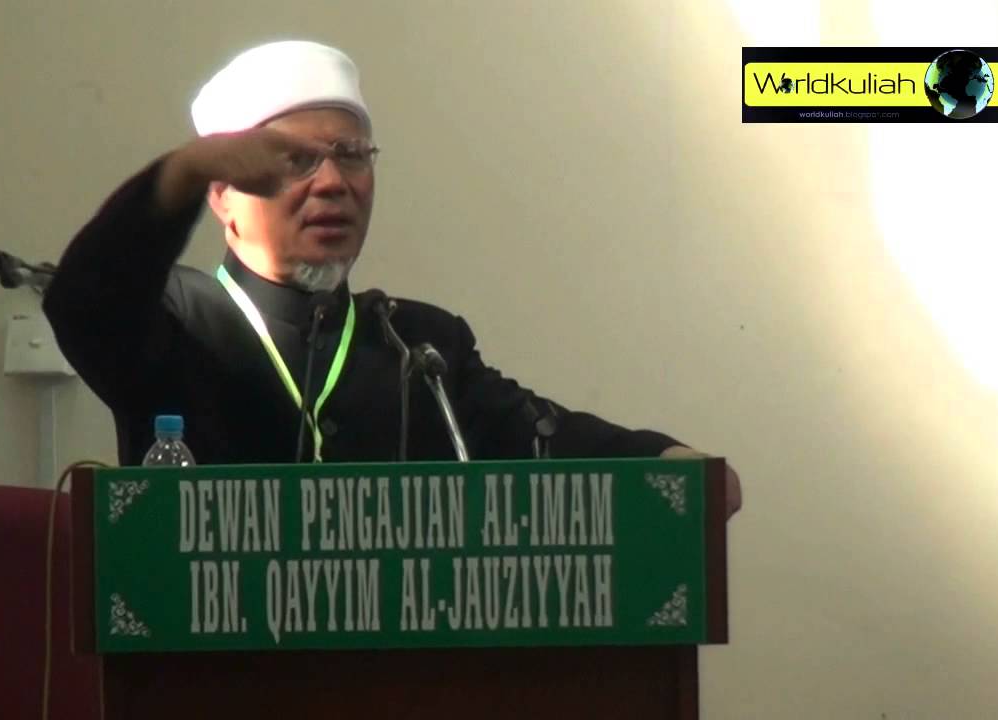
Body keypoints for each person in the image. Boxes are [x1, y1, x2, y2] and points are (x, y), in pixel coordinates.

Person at [43, 40, 742, 516]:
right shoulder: (171, 320)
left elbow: (540, 436)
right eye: (296, 161)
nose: (332, 182)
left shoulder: (418, 347)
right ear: (223, 196)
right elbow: (82, 300)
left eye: (351, 155)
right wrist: (183, 170)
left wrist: (671, 461)